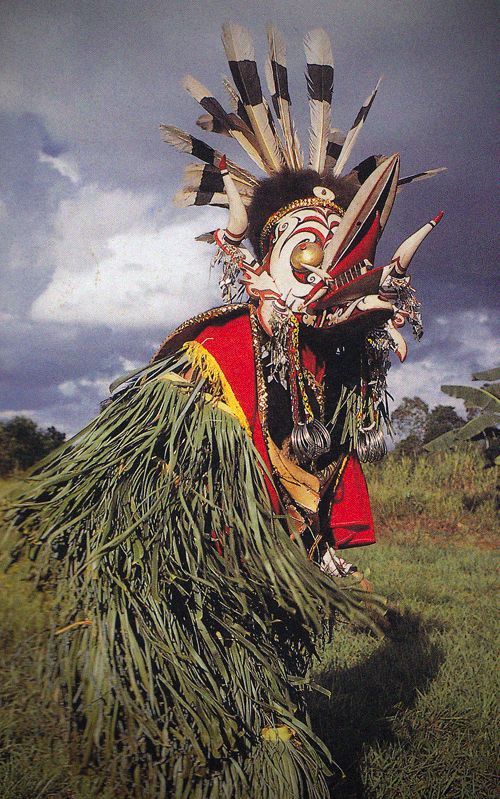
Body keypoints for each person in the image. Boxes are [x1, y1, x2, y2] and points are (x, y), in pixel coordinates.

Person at [9, 22, 442, 799]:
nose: (323, 271)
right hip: (207, 558)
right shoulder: (216, 351)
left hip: (275, 561)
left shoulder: (324, 362)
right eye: (308, 254)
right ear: (260, 261)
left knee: (268, 676)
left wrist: (315, 545)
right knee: (225, 684)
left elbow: (324, 456)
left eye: (334, 254)